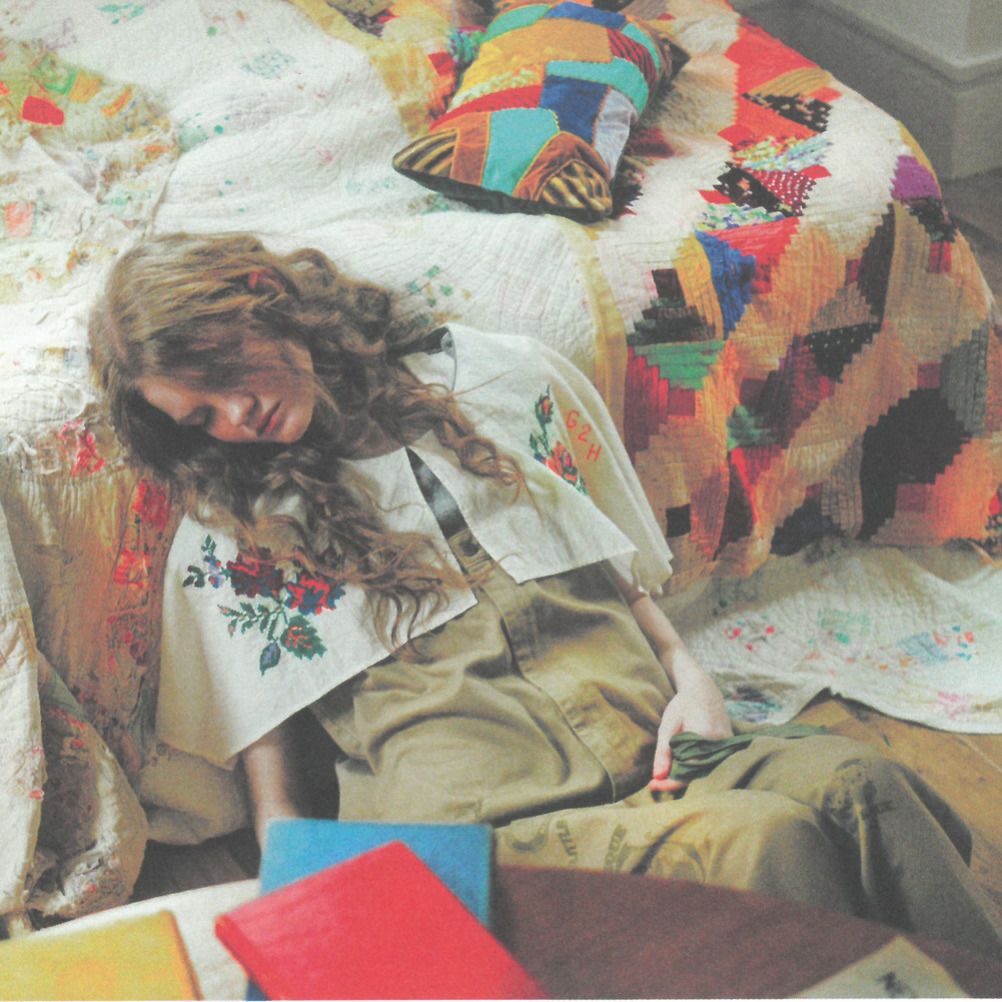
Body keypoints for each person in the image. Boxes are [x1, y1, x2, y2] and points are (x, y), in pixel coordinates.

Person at [89, 231, 1002, 956]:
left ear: (263, 296)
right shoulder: (238, 534)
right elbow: (276, 789)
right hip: (496, 829)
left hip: (655, 755)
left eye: (225, 375)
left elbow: (608, 564)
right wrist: (313, 921)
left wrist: (692, 678)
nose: (234, 417)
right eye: (200, 416)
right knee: (765, 843)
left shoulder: (489, 382)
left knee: (866, 785)